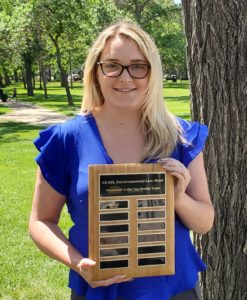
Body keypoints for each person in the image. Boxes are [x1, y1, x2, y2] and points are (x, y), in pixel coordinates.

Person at [29, 21, 214, 300]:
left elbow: (204, 223)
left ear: (152, 73)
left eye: (138, 66)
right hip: (98, 290)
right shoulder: (67, 138)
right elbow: (41, 221)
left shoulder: (181, 137)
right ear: (96, 72)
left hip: (173, 291)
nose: (125, 78)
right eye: (112, 65)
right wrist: (79, 263)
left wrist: (177, 197)